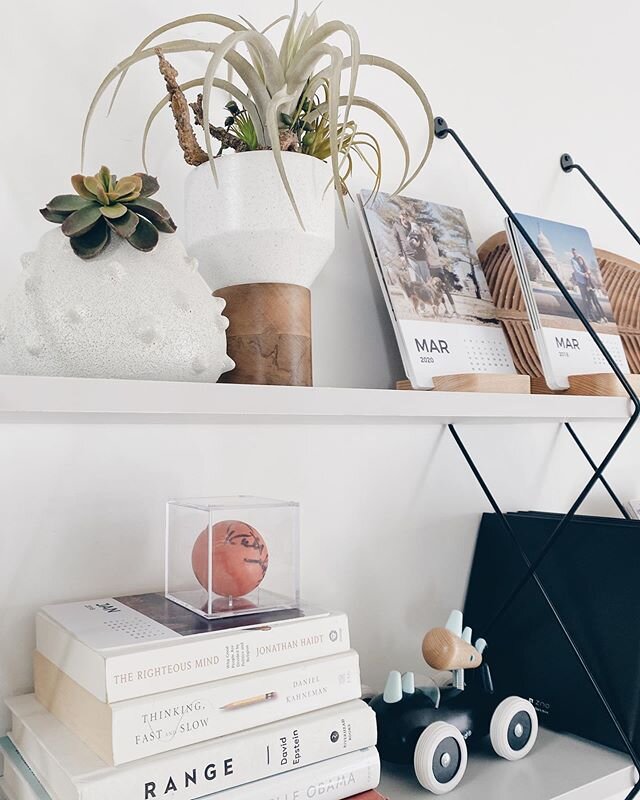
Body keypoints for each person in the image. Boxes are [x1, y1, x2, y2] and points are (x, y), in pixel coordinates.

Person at [393, 211, 430, 283]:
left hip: (421, 255)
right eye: (402, 216)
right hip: (410, 256)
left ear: (408, 217)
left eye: (406, 216)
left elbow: (420, 237)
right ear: (400, 216)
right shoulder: (397, 226)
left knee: (427, 280)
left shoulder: (414, 225)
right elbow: (396, 240)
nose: (404, 217)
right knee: (416, 281)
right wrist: (401, 255)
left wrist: (420, 243)